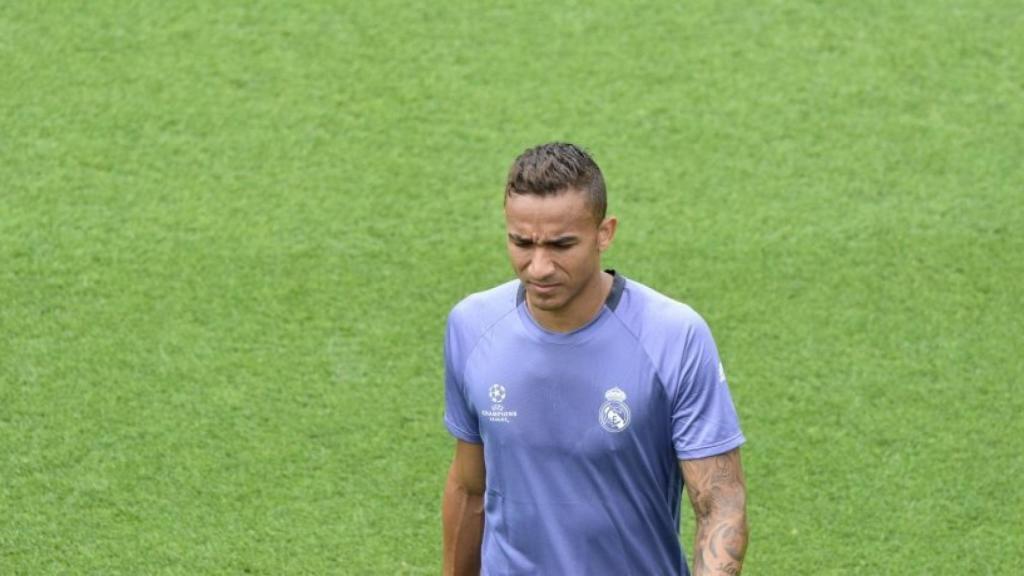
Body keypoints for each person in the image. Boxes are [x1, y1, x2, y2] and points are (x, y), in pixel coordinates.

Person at [442, 142, 748, 575]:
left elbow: (721, 503)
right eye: (521, 243)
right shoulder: (471, 327)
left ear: (605, 233)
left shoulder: (673, 336)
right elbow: (471, 488)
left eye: (561, 245)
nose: (539, 267)